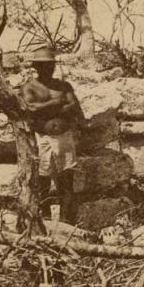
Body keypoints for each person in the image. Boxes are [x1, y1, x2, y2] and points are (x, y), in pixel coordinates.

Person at [20, 47, 84, 224]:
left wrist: (45, 108)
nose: (48, 68)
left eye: (50, 65)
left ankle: (67, 221)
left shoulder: (63, 85)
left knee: (66, 178)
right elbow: (30, 108)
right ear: (36, 67)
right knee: (43, 178)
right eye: (43, 65)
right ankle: (45, 218)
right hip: (43, 138)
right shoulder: (29, 87)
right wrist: (56, 102)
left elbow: (73, 106)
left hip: (64, 137)